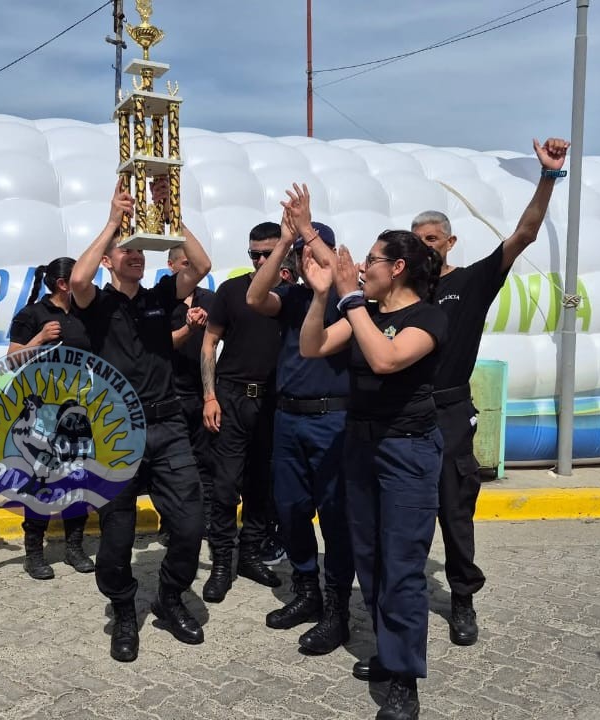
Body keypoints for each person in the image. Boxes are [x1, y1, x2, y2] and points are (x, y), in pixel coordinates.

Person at [293, 183, 448, 720]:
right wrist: (320, 294)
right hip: (359, 446)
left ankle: (404, 677)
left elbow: (384, 360)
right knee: (370, 558)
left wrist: (350, 298)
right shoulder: (365, 310)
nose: (364, 266)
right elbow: (312, 346)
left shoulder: (426, 318)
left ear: (398, 267)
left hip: (407, 450)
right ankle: (387, 650)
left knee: (403, 563)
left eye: (374, 260)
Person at [413, 137, 569, 647]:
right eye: (418, 242)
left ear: (450, 243)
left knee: (455, 513)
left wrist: (547, 176)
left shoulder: (473, 281)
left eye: (433, 240)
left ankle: (462, 600)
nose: (426, 249)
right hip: (407, 416)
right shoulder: (400, 293)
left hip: (452, 414)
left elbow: (523, 234)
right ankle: (401, 596)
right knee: (403, 511)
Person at [70, 179, 212, 663]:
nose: (134, 255)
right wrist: (113, 222)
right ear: (109, 259)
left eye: (137, 249)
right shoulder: (96, 304)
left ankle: (170, 597)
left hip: (168, 425)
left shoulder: (159, 297)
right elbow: (77, 282)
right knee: (116, 538)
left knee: (191, 525)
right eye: (124, 250)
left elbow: (203, 264)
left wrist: (171, 215)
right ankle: (124, 608)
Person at [246, 216, 354, 655]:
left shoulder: (350, 300)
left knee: (335, 518)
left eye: (314, 251)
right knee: (290, 512)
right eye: (301, 255)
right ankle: (306, 591)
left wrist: (308, 235)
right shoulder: (291, 298)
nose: (307, 260)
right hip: (288, 419)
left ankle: (337, 610)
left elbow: (332, 268)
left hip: (333, 420)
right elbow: (255, 296)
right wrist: (286, 238)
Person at [199, 222, 286, 602]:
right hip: (232, 398)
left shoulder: (293, 295)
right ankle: (222, 562)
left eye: (268, 253)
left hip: (274, 402)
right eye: (255, 254)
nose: (260, 260)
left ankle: (250, 554)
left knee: (260, 485)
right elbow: (209, 344)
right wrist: (209, 396)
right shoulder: (232, 290)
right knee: (225, 486)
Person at [7, 257, 96, 580]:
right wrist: (40, 337)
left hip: (77, 411)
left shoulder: (86, 312)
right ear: (62, 284)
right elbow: (11, 361)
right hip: (42, 410)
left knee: (77, 481)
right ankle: (34, 553)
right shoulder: (33, 315)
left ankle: (74, 548)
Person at [167, 246, 216, 548]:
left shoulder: (211, 301)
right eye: (183, 264)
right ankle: (170, 522)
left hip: (202, 393)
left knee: (205, 461)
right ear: (171, 265)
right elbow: (158, 347)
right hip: (170, 392)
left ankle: (207, 519)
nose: (188, 269)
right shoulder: (159, 302)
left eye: (191, 264)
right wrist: (188, 327)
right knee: (172, 464)